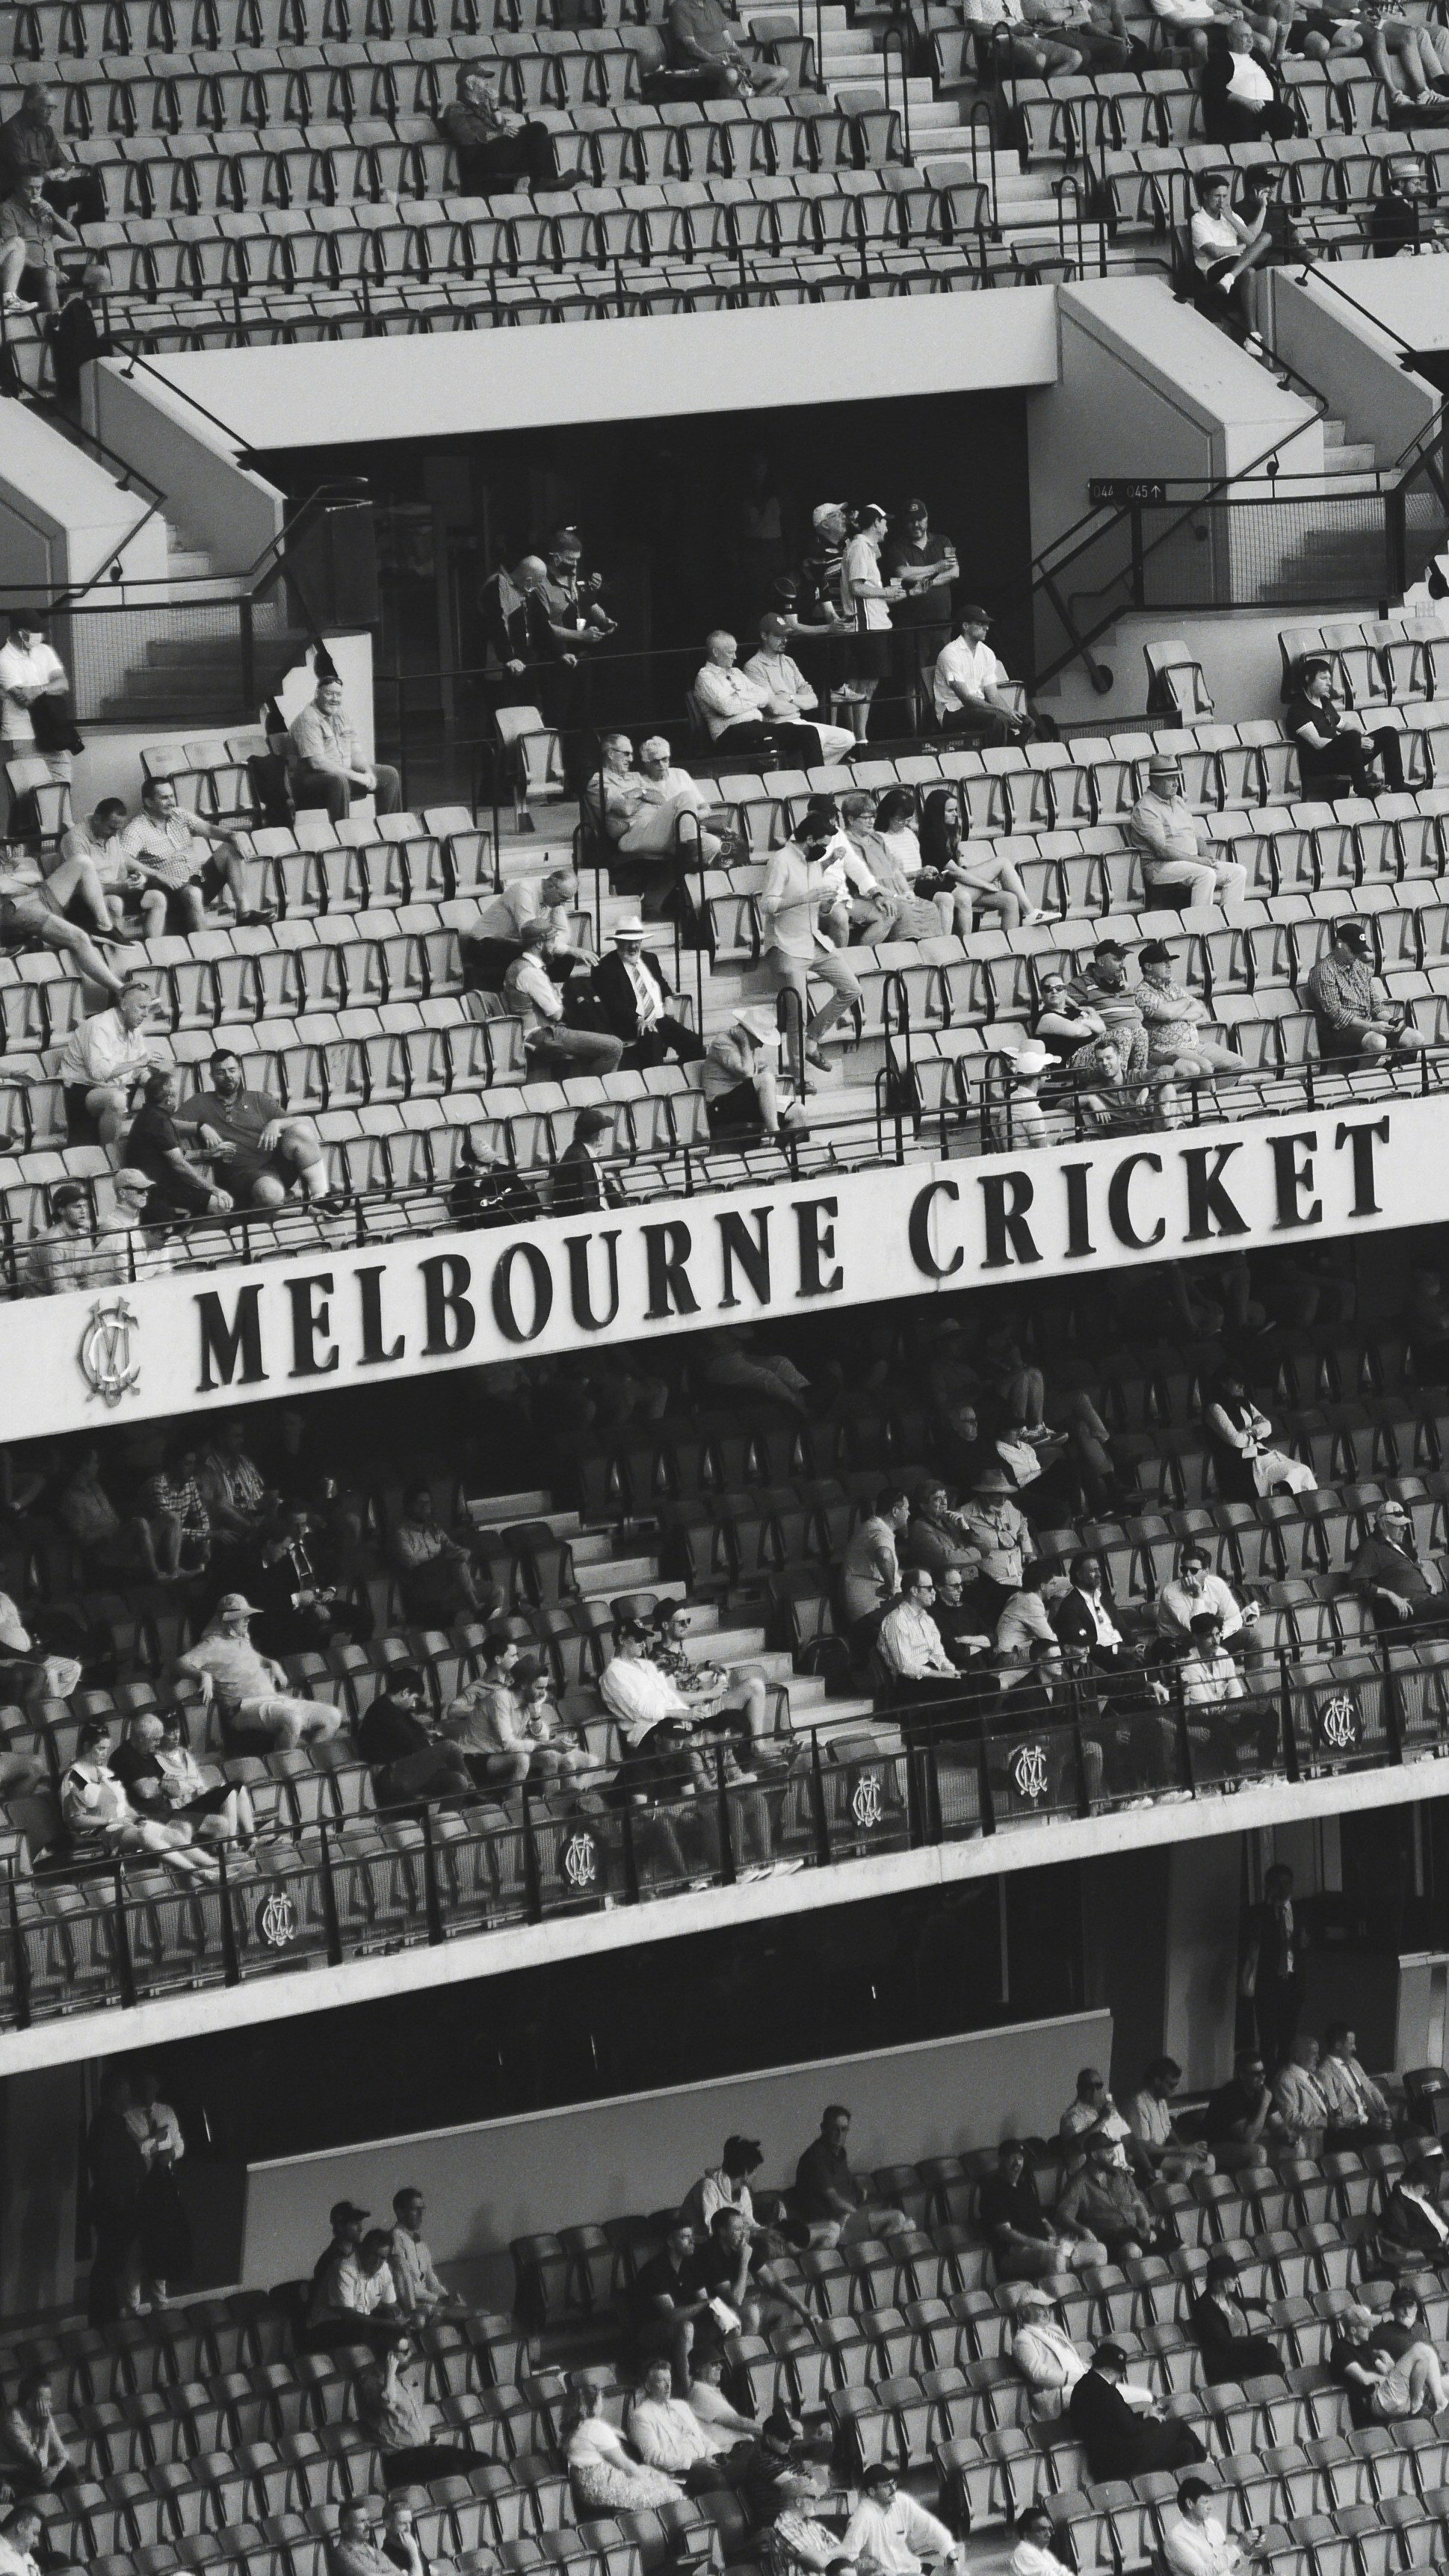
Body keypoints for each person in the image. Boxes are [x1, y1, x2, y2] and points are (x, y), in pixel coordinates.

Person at [759, 805, 862, 1085]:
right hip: (785, 945)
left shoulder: (814, 862)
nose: (825, 850)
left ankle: (812, 1041)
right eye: (823, 845)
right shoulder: (781, 861)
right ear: (810, 840)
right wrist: (806, 898)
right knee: (796, 1016)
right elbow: (766, 904)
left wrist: (826, 903)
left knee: (852, 988)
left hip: (812, 940)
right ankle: (798, 1076)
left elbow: (819, 907)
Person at [175, 1593, 342, 1751]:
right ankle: (282, 1766)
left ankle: (308, 1758)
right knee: (292, 1720)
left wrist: (272, 1664)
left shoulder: (240, 1638)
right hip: (242, 1707)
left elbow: (252, 1657)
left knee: (332, 1716)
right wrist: (203, 1675)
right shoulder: (212, 1645)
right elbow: (180, 1663)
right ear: (227, 1621)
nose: (247, 1620)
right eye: (242, 1617)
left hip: (273, 1699)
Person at [179, 1050, 333, 1210]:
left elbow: (299, 1121)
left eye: (232, 1070)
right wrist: (200, 1126)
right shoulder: (200, 1102)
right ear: (212, 1077)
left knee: (301, 1131)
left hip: (275, 1165)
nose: (228, 1076)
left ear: (240, 1072)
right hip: (240, 1176)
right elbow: (169, 1124)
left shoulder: (258, 1098)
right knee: (271, 1194)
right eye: (221, 1072)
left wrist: (277, 1123)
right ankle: (255, 1218)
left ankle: (321, 1198)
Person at [116, 776, 261, 931]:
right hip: (169, 891)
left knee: (230, 848)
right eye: (164, 798)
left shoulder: (179, 814)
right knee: (193, 893)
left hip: (197, 880)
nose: (171, 801)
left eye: (172, 796)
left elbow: (209, 829)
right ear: (149, 802)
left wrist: (233, 836)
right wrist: (158, 875)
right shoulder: (137, 828)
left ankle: (244, 913)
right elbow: (124, 859)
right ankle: (203, 945)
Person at [111, 1709, 256, 1851]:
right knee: (224, 1798)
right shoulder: (124, 1756)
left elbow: (175, 1791)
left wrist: (158, 1783)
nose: (158, 1743)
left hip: (169, 1812)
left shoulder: (149, 1756)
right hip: (149, 1817)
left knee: (221, 1823)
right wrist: (162, 1784)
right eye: (155, 1740)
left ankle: (225, 1860)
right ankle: (222, 1858)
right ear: (141, 1737)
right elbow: (146, 1791)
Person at [588, 733, 730, 876]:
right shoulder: (599, 781)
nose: (630, 759)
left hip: (657, 829)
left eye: (631, 754)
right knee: (686, 797)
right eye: (626, 754)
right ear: (611, 754)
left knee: (712, 844)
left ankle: (680, 878)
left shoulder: (634, 776)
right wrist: (644, 797)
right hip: (634, 834)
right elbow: (625, 809)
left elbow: (660, 798)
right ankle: (687, 855)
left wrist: (640, 792)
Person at [1010, 2286, 1155, 2418]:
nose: (1047, 2311)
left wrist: (1093, 2375)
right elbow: (1038, 2374)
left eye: (1048, 2307)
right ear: (1026, 2311)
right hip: (1062, 2391)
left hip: (1086, 2382)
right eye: (1040, 2308)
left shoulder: (1054, 2329)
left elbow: (1075, 2359)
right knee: (1110, 2401)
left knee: (1144, 2396)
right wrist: (1075, 2378)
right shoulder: (1023, 2339)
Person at [356, 2330, 478, 2486]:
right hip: (400, 2458)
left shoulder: (405, 2376)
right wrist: (390, 2373)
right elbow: (388, 2403)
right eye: (405, 2351)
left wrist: (426, 2436)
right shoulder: (371, 2382)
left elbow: (412, 2416)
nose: (411, 2353)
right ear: (390, 2357)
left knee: (479, 2460)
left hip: (424, 2449)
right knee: (454, 2470)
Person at [504, 917, 625, 1074]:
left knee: (604, 1038)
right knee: (614, 1046)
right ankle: (593, 1089)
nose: (554, 947)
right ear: (540, 944)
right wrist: (558, 996)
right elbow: (556, 1013)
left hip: (544, 1031)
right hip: (542, 1034)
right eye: (552, 941)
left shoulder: (521, 966)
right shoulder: (530, 972)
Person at [1069, 2343, 1207, 2480]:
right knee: (1178, 2426)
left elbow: (1116, 2421)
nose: (1119, 2377)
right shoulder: (1106, 2392)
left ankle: (1191, 2483)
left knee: (1185, 2449)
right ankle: (1205, 2461)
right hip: (1123, 2459)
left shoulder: (1082, 2386)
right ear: (1109, 2370)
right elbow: (1131, 2429)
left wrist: (1145, 2415)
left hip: (1105, 2463)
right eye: (1119, 2372)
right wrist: (1154, 2421)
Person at [62, 1720, 194, 1863]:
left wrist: (136, 1817)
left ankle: (210, 1870)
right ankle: (199, 1872)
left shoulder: (105, 1772)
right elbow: (75, 1820)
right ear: (87, 1746)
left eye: (107, 1749)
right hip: (100, 1833)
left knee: (181, 1830)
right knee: (145, 1836)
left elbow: (122, 1804)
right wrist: (111, 1820)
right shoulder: (76, 1776)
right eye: (101, 1749)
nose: (105, 1754)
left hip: (125, 1824)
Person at [436, 61, 578, 193]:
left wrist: (495, 108)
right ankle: (543, 181)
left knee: (538, 141)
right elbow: (466, 139)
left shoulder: (483, 108)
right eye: (483, 79)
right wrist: (499, 133)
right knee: (537, 129)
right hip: (479, 158)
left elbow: (502, 129)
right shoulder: (456, 108)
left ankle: (548, 180)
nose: (487, 83)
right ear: (469, 83)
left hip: (495, 153)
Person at [1129, 753, 1250, 905]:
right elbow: (1162, 851)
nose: (1176, 784)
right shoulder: (1145, 808)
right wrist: (1199, 861)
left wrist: (1208, 858)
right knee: (1206, 874)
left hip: (1190, 862)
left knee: (1238, 872)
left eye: (1176, 778)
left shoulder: (1179, 802)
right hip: (1159, 867)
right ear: (1154, 781)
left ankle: (1231, 923)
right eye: (1170, 779)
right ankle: (1201, 924)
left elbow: (1197, 837)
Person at [918, 784, 1044, 931]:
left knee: (1010, 900)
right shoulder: (931, 836)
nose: (956, 814)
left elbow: (961, 866)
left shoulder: (948, 832)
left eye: (956, 810)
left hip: (957, 886)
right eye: (950, 811)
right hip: (945, 889)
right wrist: (986, 884)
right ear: (938, 814)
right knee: (1002, 862)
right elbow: (955, 872)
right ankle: (1030, 913)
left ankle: (1011, 946)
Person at [980, 2139, 1109, 2282]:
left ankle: (1092, 2297)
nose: (1017, 2163)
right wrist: (1038, 2243)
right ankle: (1059, 2302)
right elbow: (1005, 2232)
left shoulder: (1024, 2187)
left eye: (1020, 2158)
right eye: (1012, 2158)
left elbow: (1042, 2220)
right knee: (1057, 2258)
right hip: (1015, 2252)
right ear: (1001, 2160)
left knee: (1099, 2250)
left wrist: (1056, 2237)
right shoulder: (992, 2190)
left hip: (1046, 2245)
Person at [591, 918, 704, 1067]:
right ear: (617, 942)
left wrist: (668, 998)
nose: (633, 946)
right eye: (628, 942)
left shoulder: (650, 959)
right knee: (652, 1040)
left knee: (694, 1043)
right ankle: (655, 1082)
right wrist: (638, 1020)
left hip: (658, 1018)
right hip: (629, 1022)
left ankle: (678, 1074)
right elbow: (612, 1004)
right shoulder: (605, 967)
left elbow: (661, 983)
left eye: (637, 941)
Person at [356, 1668, 475, 1809]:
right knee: (449, 1746)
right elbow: (414, 1744)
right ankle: (474, 1793)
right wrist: (433, 1747)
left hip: (406, 1773)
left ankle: (445, 1825)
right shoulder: (382, 1711)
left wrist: (428, 1737)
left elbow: (417, 1735)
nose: (414, 1704)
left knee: (458, 1781)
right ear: (405, 1693)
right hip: (389, 1777)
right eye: (414, 1699)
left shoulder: (399, 1711)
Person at [1285, 657, 1406, 794]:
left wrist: (1361, 732)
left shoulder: (1324, 702)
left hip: (1343, 756)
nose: (1329, 683)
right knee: (1352, 738)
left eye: (1330, 679)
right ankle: (1362, 787)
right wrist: (1355, 742)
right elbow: (1317, 743)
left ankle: (1397, 784)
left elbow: (1342, 725)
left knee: (1388, 733)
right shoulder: (1299, 710)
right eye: (1323, 678)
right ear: (1308, 679)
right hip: (1320, 764)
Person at [883, 500, 959, 718]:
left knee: (944, 677)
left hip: (942, 622)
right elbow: (902, 573)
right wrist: (936, 568)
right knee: (914, 680)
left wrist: (926, 582)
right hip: (912, 625)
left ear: (927, 518)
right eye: (911, 521)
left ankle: (939, 725)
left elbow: (954, 572)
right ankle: (918, 731)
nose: (916, 524)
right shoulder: (898, 547)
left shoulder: (942, 540)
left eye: (920, 519)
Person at [288, 675, 402, 822]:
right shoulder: (308, 719)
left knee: (389, 774)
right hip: (310, 778)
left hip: (341, 773)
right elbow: (317, 763)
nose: (334, 699)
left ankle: (391, 827)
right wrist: (357, 777)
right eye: (329, 693)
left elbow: (355, 751)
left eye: (338, 694)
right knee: (339, 781)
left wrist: (367, 772)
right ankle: (343, 833)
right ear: (317, 694)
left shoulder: (342, 715)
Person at [793, 2105, 907, 2247]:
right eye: (835, 2129)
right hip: (829, 2225)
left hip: (847, 2219)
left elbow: (850, 2189)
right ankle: (872, 2252)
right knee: (897, 2218)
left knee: (908, 2225)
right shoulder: (816, 2157)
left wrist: (860, 2195)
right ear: (823, 2128)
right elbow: (834, 2201)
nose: (840, 2134)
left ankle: (872, 2253)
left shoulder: (840, 2154)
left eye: (844, 2129)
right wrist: (858, 2214)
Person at [1134, 941, 1248, 1084]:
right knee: (1205, 1067)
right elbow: (1167, 1014)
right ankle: (1204, 1099)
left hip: (1195, 1044)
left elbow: (1200, 1009)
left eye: (1170, 961)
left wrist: (1177, 1011)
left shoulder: (1172, 985)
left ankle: (1205, 1094)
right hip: (1168, 1049)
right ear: (1148, 966)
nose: (1169, 965)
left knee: (1239, 1065)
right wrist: (1186, 1002)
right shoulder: (1142, 993)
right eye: (1163, 962)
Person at [743, 618, 856, 761]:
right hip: (777, 726)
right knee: (816, 737)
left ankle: (805, 771)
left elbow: (813, 701)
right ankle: (805, 772)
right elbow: (775, 709)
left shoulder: (788, 661)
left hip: (799, 721)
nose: (784, 640)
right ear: (764, 636)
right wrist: (798, 702)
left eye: (786, 636)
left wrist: (790, 698)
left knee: (847, 738)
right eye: (778, 636)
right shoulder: (753, 666)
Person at [563, 2377, 684, 2510]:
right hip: (605, 2490)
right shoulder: (595, 2428)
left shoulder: (575, 2429)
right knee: (670, 2495)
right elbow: (625, 2465)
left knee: (649, 2472)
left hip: (589, 2489)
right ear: (595, 2405)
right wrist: (650, 2485)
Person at [84, 2068, 147, 2322]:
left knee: (111, 2265)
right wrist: (121, 2206)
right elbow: (109, 2169)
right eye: (126, 2092)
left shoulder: (108, 2124)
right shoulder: (107, 2127)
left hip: (116, 2205)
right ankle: (104, 2321)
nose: (130, 2096)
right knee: (108, 2266)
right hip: (115, 2208)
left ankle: (106, 2317)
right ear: (114, 2095)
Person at [839, 506, 905, 740]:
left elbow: (876, 556)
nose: (887, 527)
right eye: (885, 522)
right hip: (865, 624)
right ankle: (859, 737)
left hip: (876, 622)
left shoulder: (865, 547)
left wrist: (893, 593)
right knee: (862, 682)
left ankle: (857, 737)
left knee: (867, 682)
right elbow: (857, 587)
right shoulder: (858, 547)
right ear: (876, 522)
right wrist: (885, 592)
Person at [57, 802, 164, 943]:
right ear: (97, 819)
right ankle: (117, 951)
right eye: (112, 828)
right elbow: (81, 888)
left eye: (118, 830)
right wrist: (119, 888)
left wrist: (134, 880)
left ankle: (154, 950)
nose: (115, 834)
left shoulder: (111, 834)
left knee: (157, 898)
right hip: (82, 900)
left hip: (113, 890)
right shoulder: (75, 840)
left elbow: (121, 873)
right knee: (115, 903)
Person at [1187, 170, 1270, 347]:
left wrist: (1231, 218)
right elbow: (1214, 252)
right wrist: (1241, 248)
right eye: (1217, 196)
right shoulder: (1198, 220)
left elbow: (1252, 240)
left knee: (1266, 238)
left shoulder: (1229, 215)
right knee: (1248, 271)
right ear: (1205, 196)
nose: (1222, 201)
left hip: (1235, 264)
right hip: (1215, 268)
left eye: (1225, 196)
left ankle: (1230, 278)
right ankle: (1253, 332)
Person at [1204, 1371, 1314, 1502]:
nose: (1241, 1386)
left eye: (1242, 1383)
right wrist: (1256, 1433)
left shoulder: (1244, 1403)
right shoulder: (1215, 1408)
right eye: (1237, 1382)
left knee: (1304, 1471)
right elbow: (1235, 1440)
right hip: (1239, 1463)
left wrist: (1248, 1431)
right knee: (1290, 1474)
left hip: (1259, 1455)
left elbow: (1268, 1427)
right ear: (1223, 1383)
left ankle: (1308, 1509)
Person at [630, 2217, 714, 2391]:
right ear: (670, 2242)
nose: (692, 2241)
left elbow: (704, 2300)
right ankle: (686, 2387)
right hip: (649, 2330)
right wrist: (705, 2304)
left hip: (684, 2322)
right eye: (685, 2237)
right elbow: (671, 2315)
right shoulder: (655, 2270)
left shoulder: (691, 2264)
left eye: (692, 2236)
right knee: (686, 2327)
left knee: (727, 2321)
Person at [702, 1007, 809, 1142]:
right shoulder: (722, 1042)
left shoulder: (755, 1048)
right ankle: (773, 1132)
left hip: (744, 1105)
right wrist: (745, 1044)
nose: (761, 1044)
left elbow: (771, 1074)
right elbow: (746, 1073)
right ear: (747, 1033)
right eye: (759, 1038)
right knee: (765, 1080)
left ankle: (778, 1153)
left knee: (799, 1111)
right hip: (718, 1108)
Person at [1332, 2302, 1447, 2424]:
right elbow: (1363, 2378)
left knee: (1422, 2361)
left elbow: (1385, 2370)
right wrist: (1383, 2378)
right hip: (1377, 2400)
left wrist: (1390, 2365)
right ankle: (1432, 2402)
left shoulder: (1365, 2346)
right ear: (1353, 2330)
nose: (1371, 2329)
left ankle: (1419, 2403)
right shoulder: (1340, 2350)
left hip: (1388, 2394)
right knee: (1420, 2348)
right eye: (1366, 2326)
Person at [387, 1485, 487, 1626]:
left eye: (427, 1503)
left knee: (496, 1592)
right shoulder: (401, 1533)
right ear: (409, 1506)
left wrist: (460, 1554)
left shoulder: (434, 1529)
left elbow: (459, 1550)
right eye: (419, 1504)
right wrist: (444, 1559)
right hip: (420, 1584)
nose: (424, 1507)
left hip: (447, 1582)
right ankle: (475, 1607)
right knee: (455, 1562)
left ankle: (488, 1626)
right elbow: (412, 1564)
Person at [841, 2461, 963, 2575]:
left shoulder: (902, 2501)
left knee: (960, 2574)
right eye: (886, 2486)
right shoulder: (862, 2516)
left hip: (911, 2568)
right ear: (872, 2492)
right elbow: (848, 2556)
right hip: (887, 2574)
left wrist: (949, 2552)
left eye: (893, 2483)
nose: (893, 2489)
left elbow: (929, 2526)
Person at [932, 606, 1032, 744]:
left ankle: (1010, 757)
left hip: (980, 709)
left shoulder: (987, 653)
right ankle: (993, 760)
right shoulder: (949, 654)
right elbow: (966, 699)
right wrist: (1003, 712)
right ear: (966, 626)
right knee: (997, 719)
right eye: (980, 624)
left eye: (987, 624)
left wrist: (1010, 713)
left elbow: (993, 695)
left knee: (1026, 723)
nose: (986, 628)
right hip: (953, 711)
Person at [1241, 1860, 1306, 2065]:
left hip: (1293, 1981)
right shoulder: (1257, 1913)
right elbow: (1251, 1941)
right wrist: (1268, 1906)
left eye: (1286, 1883)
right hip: (1268, 1983)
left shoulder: (1301, 1911)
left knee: (1288, 2038)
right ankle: (1268, 2081)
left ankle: (1284, 2080)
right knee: (1268, 2038)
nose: (1282, 1888)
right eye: (1277, 1884)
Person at [1056, 2137, 1165, 2258]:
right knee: (1132, 2251)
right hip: (1111, 2238)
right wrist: (1084, 2231)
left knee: (1181, 2248)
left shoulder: (1121, 2174)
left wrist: (1146, 2228)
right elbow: (1063, 2216)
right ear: (1095, 2155)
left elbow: (1137, 2204)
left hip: (1137, 2231)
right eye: (1109, 2153)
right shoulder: (1078, 2183)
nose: (1114, 2156)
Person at [1350, 1496, 1448, 1632]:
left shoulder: (1401, 1546)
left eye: (1404, 1525)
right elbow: (1358, 1583)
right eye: (1398, 1526)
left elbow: (1417, 1563)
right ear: (1383, 1525)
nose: (1404, 1529)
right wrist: (1391, 1595)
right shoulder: (1371, 1547)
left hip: (1427, 1599)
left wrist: (1427, 1577)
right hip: (1410, 1606)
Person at [0, 614, 77, 781]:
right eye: (35, 632)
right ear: (21, 633)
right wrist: (50, 688)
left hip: (51, 734)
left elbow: (63, 684)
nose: (39, 636)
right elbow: (25, 700)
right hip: (23, 736)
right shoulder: (4, 659)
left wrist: (38, 689)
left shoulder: (44, 651)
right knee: (33, 795)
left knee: (63, 784)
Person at [1188, 2250, 1284, 2383]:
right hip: (1225, 2361)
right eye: (1233, 2278)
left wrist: (1262, 2304)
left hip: (1242, 2353)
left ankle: (1265, 2386)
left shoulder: (1231, 2297)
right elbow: (1224, 2342)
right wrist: (1256, 2340)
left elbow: (1245, 2303)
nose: (1237, 2281)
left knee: (1273, 2357)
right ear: (1220, 2281)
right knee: (1271, 2358)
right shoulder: (1204, 2307)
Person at [309, 2226, 404, 2352]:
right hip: (325, 2326)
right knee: (367, 2331)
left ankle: (395, 2366)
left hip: (358, 2322)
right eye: (374, 2255)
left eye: (382, 2258)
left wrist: (398, 2315)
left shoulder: (384, 2267)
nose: (378, 2262)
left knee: (398, 2331)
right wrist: (389, 2324)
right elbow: (350, 2316)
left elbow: (391, 2305)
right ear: (363, 2250)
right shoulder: (344, 2268)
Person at [22, 1183, 124, 1298]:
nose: (83, 1211)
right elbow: (59, 1288)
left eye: (85, 1206)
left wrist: (96, 1296)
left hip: (72, 1297)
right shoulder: (52, 1241)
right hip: (42, 1301)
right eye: (77, 1207)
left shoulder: (84, 1236)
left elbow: (88, 1278)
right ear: (61, 1211)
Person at [0, 172, 80, 318]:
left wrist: (53, 214)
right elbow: (13, 254)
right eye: (29, 188)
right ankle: (56, 325)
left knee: (101, 274)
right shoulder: (7, 209)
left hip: (50, 267)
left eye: (38, 188)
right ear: (17, 187)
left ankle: (102, 326)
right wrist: (51, 272)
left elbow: (73, 236)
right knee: (49, 276)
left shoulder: (45, 208)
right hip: (28, 272)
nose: (35, 193)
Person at [666, 0, 791, 91]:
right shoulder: (680, 7)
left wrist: (740, 56)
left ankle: (753, 110)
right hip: (700, 65)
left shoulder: (714, 5)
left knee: (782, 73)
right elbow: (692, 48)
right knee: (731, 75)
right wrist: (718, 60)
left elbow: (729, 41)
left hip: (728, 62)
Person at [1202, 21, 1297, 139]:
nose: (1251, 40)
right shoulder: (1220, 59)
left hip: (1265, 104)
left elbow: (1272, 75)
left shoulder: (1258, 56)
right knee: (1243, 116)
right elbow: (1215, 90)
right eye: (1245, 36)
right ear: (1231, 38)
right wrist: (1247, 102)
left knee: (1286, 114)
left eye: (1251, 36)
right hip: (1238, 106)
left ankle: (1279, 153)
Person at [1124, 2059, 1215, 2180]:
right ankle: (1177, 2197)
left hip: (1161, 2153)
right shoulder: (1138, 2103)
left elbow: (1168, 2129)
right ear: (1157, 2081)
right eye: (1171, 2085)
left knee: (1209, 2160)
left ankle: (1199, 2195)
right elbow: (1141, 2145)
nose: (1175, 2089)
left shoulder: (1161, 2101)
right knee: (1185, 2166)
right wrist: (1179, 2150)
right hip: (1144, 2159)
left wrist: (1185, 2148)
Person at [840, 1489, 909, 1647]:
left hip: (872, 1608)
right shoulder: (879, 1530)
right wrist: (890, 1586)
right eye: (907, 1509)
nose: (909, 1514)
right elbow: (884, 1556)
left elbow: (891, 1569)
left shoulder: (875, 1527)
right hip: (869, 1612)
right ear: (895, 1511)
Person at [1202, 2048, 1291, 2169]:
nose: (1262, 2077)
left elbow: (1277, 2125)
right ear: (1242, 2075)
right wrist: (1264, 2104)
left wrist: (1289, 2134)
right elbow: (1248, 2137)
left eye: (1263, 2072)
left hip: (1246, 2144)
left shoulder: (1262, 2091)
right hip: (1219, 2146)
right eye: (1256, 2073)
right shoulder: (1230, 2095)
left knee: (1295, 2146)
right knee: (1258, 2152)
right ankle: (1257, 2187)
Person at [1158, 1546, 1256, 1651]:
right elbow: (1196, 1628)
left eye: (1194, 1570)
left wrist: (1220, 1634)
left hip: (1210, 1637)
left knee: (1253, 1636)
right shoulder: (1170, 1592)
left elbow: (1234, 1617)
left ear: (1206, 1571)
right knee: (1202, 1639)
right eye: (1184, 1569)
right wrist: (1198, 1594)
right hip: (1179, 1644)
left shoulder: (1217, 1584)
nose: (1187, 1574)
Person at [1165, 2480, 1269, 2576]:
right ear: (1190, 2504)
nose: (1211, 2507)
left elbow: (1231, 2569)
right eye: (1205, 2502)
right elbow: (1202, 2573)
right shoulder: (1176, 2537)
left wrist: (1248, 2551)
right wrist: (1239, 2546)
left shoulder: (1214, 2525)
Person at [1319, 2022, 1394, 2144]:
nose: (1355, 2048)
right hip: (1351, 2128)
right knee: (1386, 2137)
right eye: (1351, 2044)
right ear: (1338, 2045)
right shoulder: (1324, 2073)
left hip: (1374, 2118)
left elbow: (1371, 2089)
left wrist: (1385, 2112)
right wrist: (1367, 2121)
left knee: (1414, 2131)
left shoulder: (1354, 2063)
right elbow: (1335, 2112)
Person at [0, 2380, 75, 2495]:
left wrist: (55, 2470)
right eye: (46, 2400)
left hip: (33, 2469)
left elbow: (63, 2453)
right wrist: (44, 2427)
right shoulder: (12, 2420)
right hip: (11, 2474)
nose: (50, 2405)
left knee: (69, 2472)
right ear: (30, 2402)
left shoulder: (43, 2415)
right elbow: (40, 2464)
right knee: (43, 2484)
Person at [1377, 2165, 1449, 2275]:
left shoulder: (1425, 2197)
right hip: (1432, 2250)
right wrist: (1439, 2242)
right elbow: (1406, 2239)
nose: (1428, 2192)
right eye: (1426, 2188)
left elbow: (1441, 2217)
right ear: (1417, 2184)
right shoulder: (1396, 2204)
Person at [553, 1106, 625, 1216]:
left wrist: (628, 1212)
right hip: (591, 1221)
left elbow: (608, 1188)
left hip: (602, 1215)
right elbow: (589, 1204)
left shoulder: (585, 1152)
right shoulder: (579, 1159)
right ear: (599, 1134)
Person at [1371, 155, 1449, 253]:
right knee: (1444, 242)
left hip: (1399, 249)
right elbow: (1411, 237)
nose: (1419, 189)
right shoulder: (1396, 204)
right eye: (1415, 184)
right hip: (1395, 254)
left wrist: (1432, 240)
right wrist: (1437, 232)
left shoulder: (1393, 201)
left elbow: (1409, 235)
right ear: (1401, 183)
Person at [1271, 2037, 1331, 2152]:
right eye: (1313, 2054)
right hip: (1308, 2142)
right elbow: (1290, 2118)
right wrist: (1323, 2121)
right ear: (1298, 2057)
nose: (1318, 2058)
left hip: (1326, 2136)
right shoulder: (1286, 2079)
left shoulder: (1311, 2077)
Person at [1011, 2507, 1080, 2576]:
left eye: (1049, 2529)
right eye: (1042, 2530)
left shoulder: (1043, 2551)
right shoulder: (1023, 2553)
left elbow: (1062, 2572)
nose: (1049, 2534)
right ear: (1026, 2535)